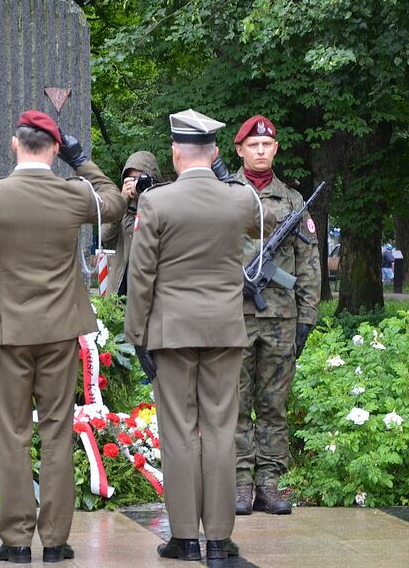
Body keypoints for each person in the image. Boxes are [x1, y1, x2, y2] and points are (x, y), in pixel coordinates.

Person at [0, 111, 125, 564]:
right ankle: (55, 541)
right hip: (60, 330)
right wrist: (82, 161)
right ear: (55, 149)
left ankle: (15, 541)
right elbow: (113, 202)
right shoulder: (73, 193)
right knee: (56, 430)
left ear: (15, 144)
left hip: (9, 330)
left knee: (11, 433)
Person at [125, 109, 258, 562]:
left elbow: (141, 276)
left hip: (172, 330)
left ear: (175, 154)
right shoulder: (238, 200)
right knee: (221, 430)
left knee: (179, 431)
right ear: (218, 152)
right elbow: (257, 220)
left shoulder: (156, 202)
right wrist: (224, 176)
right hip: (225, 329)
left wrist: (136, 334)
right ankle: (219, 538)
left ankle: (183, 536)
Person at [233, 115, 321, 516]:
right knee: (234, 405)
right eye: (253, 145)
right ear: (239, 150)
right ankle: (237, 485)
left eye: (267, 145)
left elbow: (308, 263)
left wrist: (307, 317)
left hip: (280, 319)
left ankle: (270, 485)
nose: (261, 150)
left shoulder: (293, 201)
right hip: (232, 316)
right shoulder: (223, 194)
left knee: (273, 406)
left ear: (276, 149)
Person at [100, 151, 162, 295]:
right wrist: (121, 203)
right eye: (131, 178)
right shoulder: (124, 208)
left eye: (140, 178)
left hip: (150, 289)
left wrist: (145, 198)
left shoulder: (163, 204)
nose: (135, 183)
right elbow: (105, 236)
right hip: (121, 289)